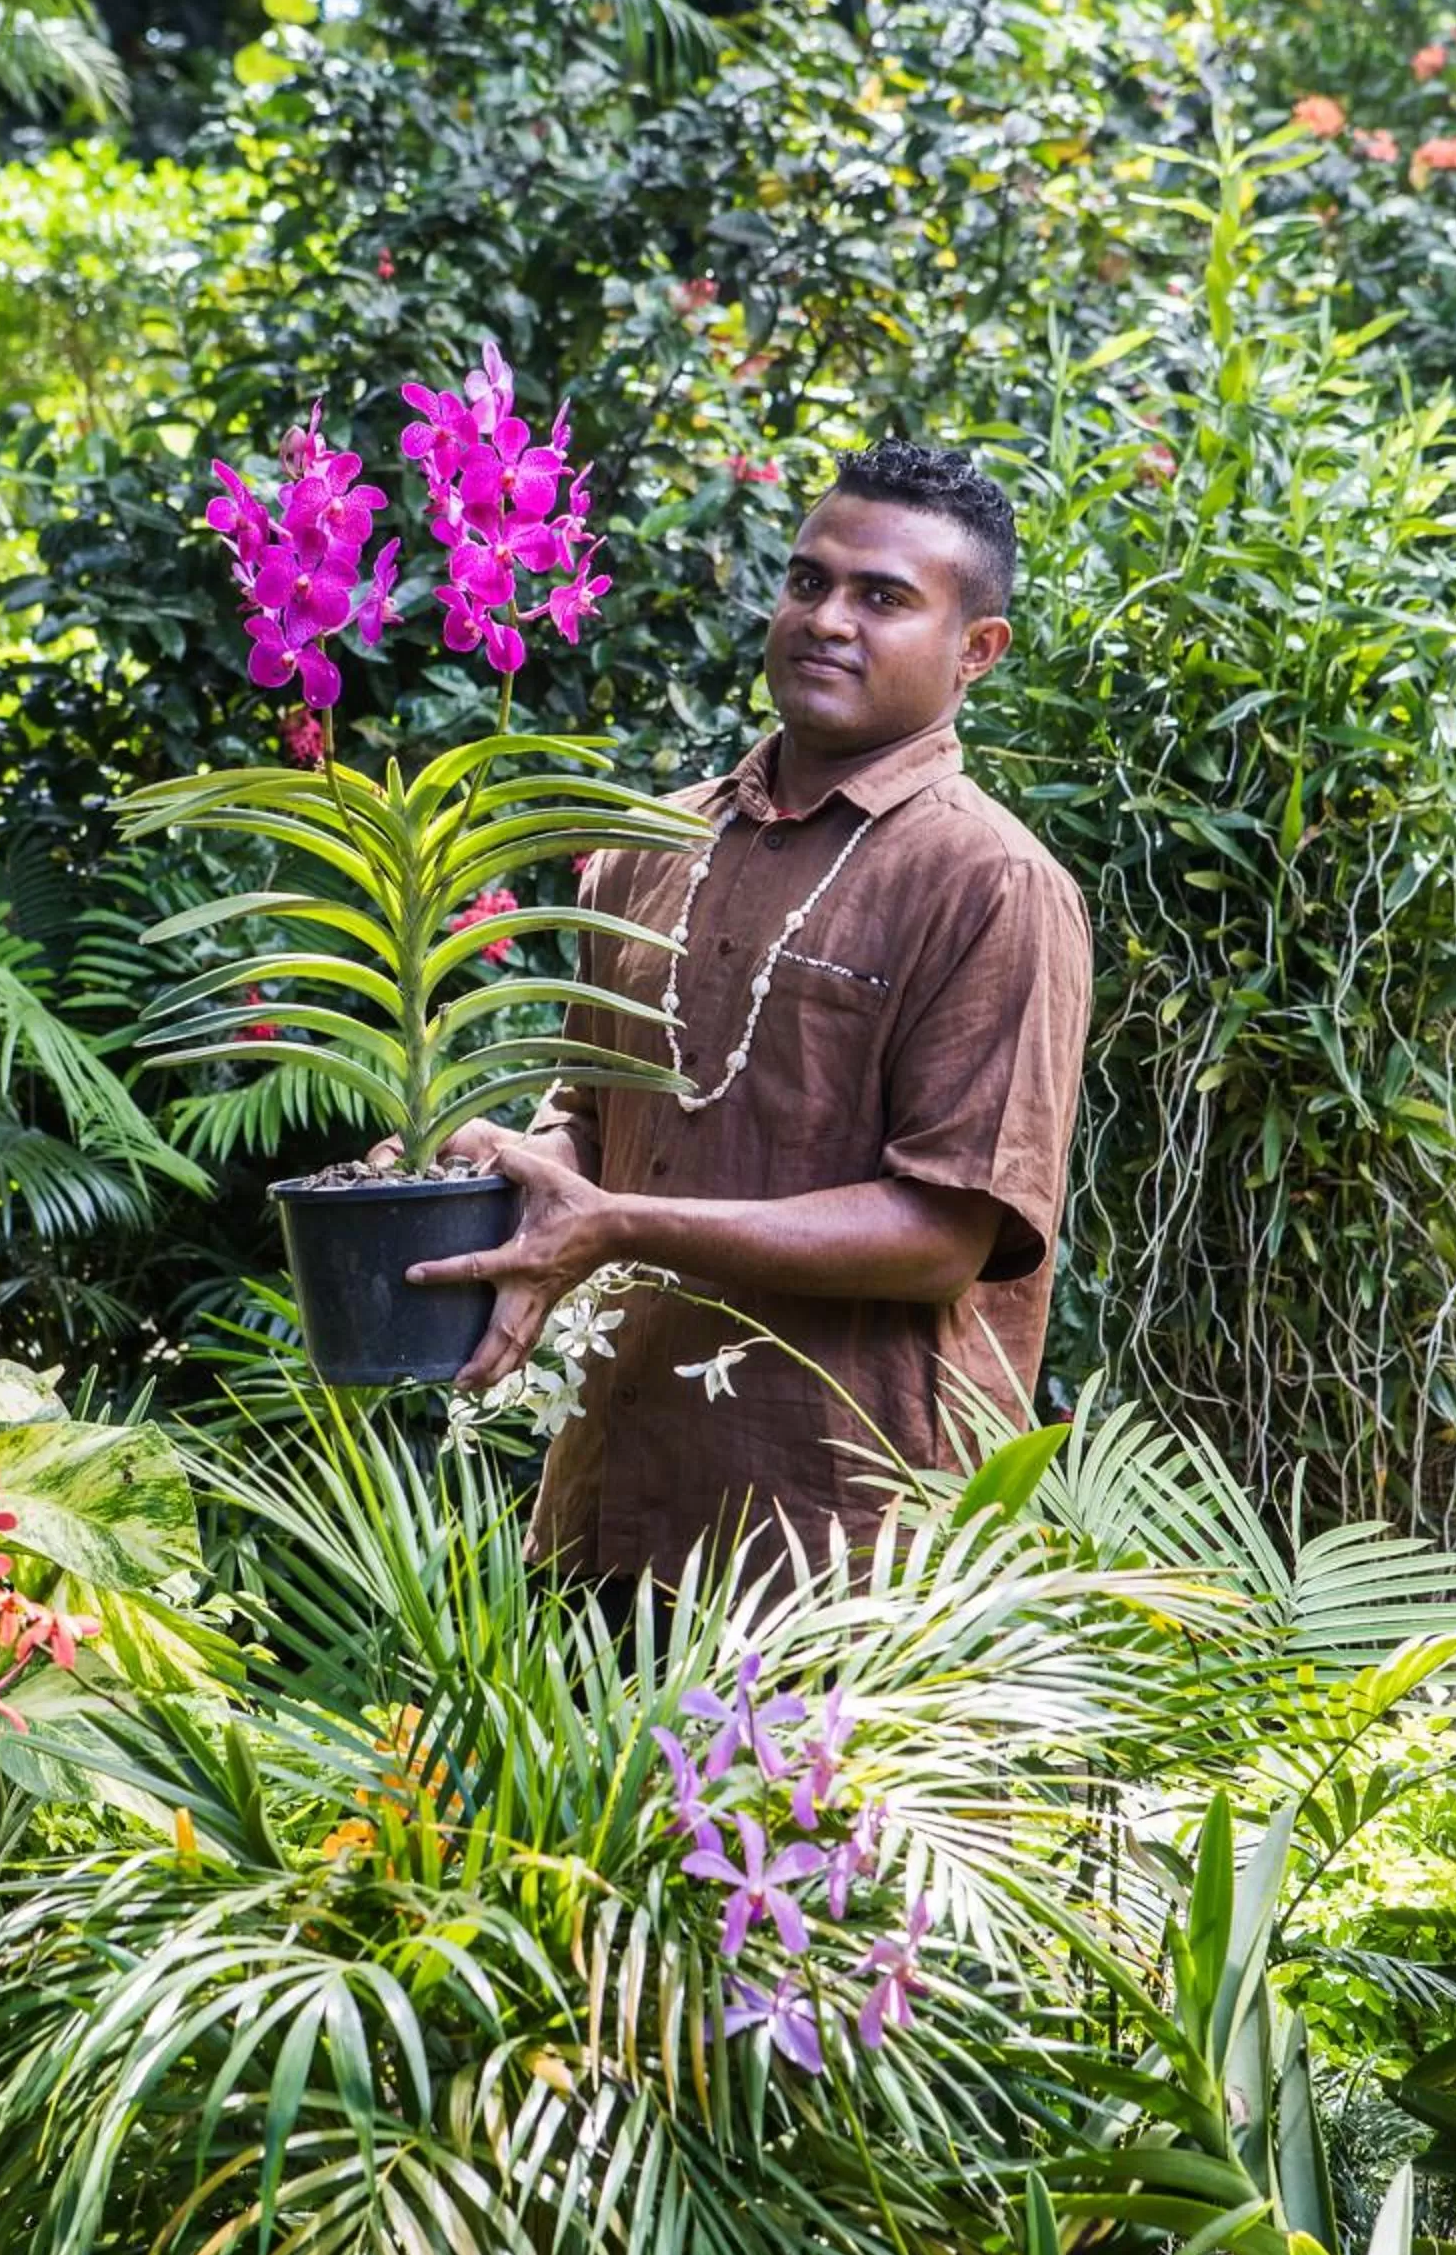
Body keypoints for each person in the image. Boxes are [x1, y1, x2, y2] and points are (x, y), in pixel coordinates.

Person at [408, 437, 1093, 1582]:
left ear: (975, 649)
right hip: (605, 1516)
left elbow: (940, 1237)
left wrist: (615, 1224)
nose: (827, 619)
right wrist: (485, 1176)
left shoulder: (991, 886)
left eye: (883, 598)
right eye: (807, 580)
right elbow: (588, 1114)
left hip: (843, 1557)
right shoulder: (649, 845)